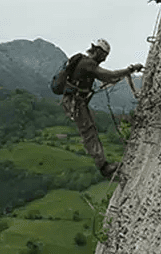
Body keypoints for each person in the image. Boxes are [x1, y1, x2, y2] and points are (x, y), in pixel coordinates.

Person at [61, 39, 143, 179]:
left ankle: (103, 164)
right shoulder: (88, 64)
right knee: (89, 132)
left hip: (77, 101)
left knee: (90, 129)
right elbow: (109, 75)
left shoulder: (86, 63)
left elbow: (107, 78)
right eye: (104, 56)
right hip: (76, 102)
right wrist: (130, 69)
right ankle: (103, 167)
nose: (104, 60)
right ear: (98, 52)